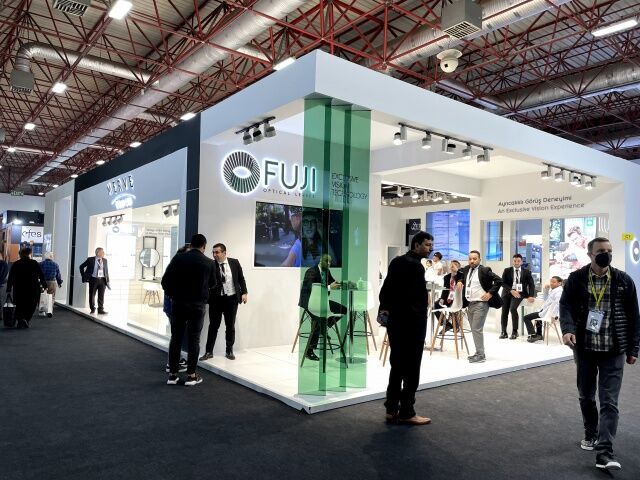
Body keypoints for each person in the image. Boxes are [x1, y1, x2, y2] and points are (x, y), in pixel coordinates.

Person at [559, 237, 640, 471]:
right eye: (601, 251)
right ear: (590, 254)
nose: (606, 254)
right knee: (586, 395)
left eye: (609, 250)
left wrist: (633, 348)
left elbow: (634, 316)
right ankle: (591, 432)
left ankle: (605, 452)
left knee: (609, 401)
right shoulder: (577, 279)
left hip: (613, 350)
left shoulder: (623, 280)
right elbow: (566, 306)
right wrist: (567, 329)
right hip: (585, 349)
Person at [379, 231, 434, 425]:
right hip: (411, 326)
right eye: (427, 245)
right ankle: (407, 411)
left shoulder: (396, 261)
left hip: (395, 323)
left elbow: (385, 291)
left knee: (397, 366)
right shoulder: (416, 267)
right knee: (412, 370)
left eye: (431, 245)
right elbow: (416, 301)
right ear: (416, 245)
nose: (430, 248)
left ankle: (391, 409)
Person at [162, 234, 216, 386]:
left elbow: (165, 281)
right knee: (194, 339)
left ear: (191, 245)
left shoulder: (179, 258)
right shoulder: (209, 263)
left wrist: (173, 295)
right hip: (198, 305)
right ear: (204, 246)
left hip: (178, 304)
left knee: (176, 338)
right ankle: (191, 375)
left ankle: (172, 375)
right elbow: (213, 284)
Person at [200, 243, 248, 361]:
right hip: (216, 300)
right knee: (213, 326)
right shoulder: (211, 265)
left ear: (224, 253)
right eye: (213, 252)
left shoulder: (234, 262)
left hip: (231, 299)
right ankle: (209, 351)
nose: (214, 255)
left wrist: (244, 293)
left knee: (230, 326)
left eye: (217, 252)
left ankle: (229, 350)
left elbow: (241, 278)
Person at [297, 253, 346, 361]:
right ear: (320, 260)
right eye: (326, 261)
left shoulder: (326, 271)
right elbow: (313, 288)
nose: (329, 263)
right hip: (309, 302)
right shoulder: (311, 271)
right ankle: (309, 351)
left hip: (322, 301)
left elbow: (332, 282)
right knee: (318, 319)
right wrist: (329, 287)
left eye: (330, 261)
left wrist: (340, 284)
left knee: (344, 309)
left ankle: (325, 327)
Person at [457, 250, 503, 363]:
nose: (472, 261)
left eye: (474, 259)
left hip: (481, 304)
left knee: (476, 329)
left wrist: (490, 293)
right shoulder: (466, 269)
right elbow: (463, 278)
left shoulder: (484, 270)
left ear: (479, 259)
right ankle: (478, 352)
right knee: (474, 329)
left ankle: (481, 355)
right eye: (470, 259)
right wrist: (460, 281)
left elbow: (499, 280)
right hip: (470, 303)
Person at [162, 244, 191, 374]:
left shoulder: (176, 265)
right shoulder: (177, 267)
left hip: (174, 307)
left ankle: (177, 360)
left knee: (177, 336)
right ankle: (171, 364)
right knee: (176, 337)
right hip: (174, 308)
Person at [6, 247, 47, 329]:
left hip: (19, 289)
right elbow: (41, 275)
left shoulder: (16, 264)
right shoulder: (34, 263)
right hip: (32, 288)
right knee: (31, 304)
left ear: (20, 255)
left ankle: (20, 320)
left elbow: (11, 277)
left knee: (19, 305)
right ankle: (26, 319)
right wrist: (45, 285)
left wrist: (9, 289)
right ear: (29, 254)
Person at [500, 253, 536, 339]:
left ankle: (515, 331)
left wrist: (531, 295)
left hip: (520, 293)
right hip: (507, 292)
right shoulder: (507, 270)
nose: (516, 263)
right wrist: (511, 290)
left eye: (518, 261)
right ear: (512, 261)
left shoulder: (526, 272)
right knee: (504, 311)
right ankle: (503, 331)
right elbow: (503, 283)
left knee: (513, 309)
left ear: (521, 262)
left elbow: (531, 284)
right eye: (515, 261)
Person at [524, 276, 563, 343]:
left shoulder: (558, 292)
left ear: (559, 283)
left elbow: (557, 304)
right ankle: (539, 335)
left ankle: (533, 335)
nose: (551, 283)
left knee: (526, 317)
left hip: (549, 314)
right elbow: (546, 299)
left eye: (554, 282)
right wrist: (546, 290)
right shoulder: (554, 290)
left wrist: (553, 316)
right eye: (551, 281)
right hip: (546, 312)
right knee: (538, 316)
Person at [78, 247, 110, 314]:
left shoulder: (105, 260)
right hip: (93, 280)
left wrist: (108, 281)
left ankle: (100, 309)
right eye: (102, 252)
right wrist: (84, 275)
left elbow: (106, 271)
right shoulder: (90, 259)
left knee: (101, 295)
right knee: (92, 295)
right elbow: (81, 266)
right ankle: (92, 309)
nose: (103, 253)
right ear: (98, 253)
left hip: (102, 280)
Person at [434, 259, 463, 330]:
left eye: (456, 265)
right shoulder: (446, 277)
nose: (453, 266)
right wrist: (442, 298)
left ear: (459, 267)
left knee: (452, 306)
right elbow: (445, 290)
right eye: (452, 264)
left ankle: (455, 324)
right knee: (435, 305)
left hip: (458, 299)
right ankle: (447, 324)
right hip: (447, 298)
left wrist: (456, 272)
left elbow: (461, 281)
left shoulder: (462, 275)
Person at [0, 252, 8, 325]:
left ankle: (0, 314)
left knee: (0, 299)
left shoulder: (3, 263)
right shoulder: (4, 263)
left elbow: (4, 273)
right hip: (2, 283)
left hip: (1, 283)